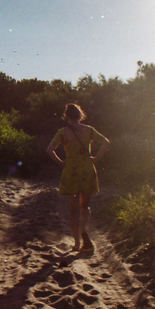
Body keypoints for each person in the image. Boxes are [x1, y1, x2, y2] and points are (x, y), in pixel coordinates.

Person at [46, 103, 110, 251]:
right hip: (87, 169)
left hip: (71, 172)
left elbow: (49, 150)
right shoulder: (89, 130)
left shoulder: (62, 132)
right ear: (80, 115)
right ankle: (84, 231)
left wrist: (61, 162)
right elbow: (106, 142)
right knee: (85, 206)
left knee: (73, 209)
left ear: (66, 116)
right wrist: (96, 158)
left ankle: (76, 244)